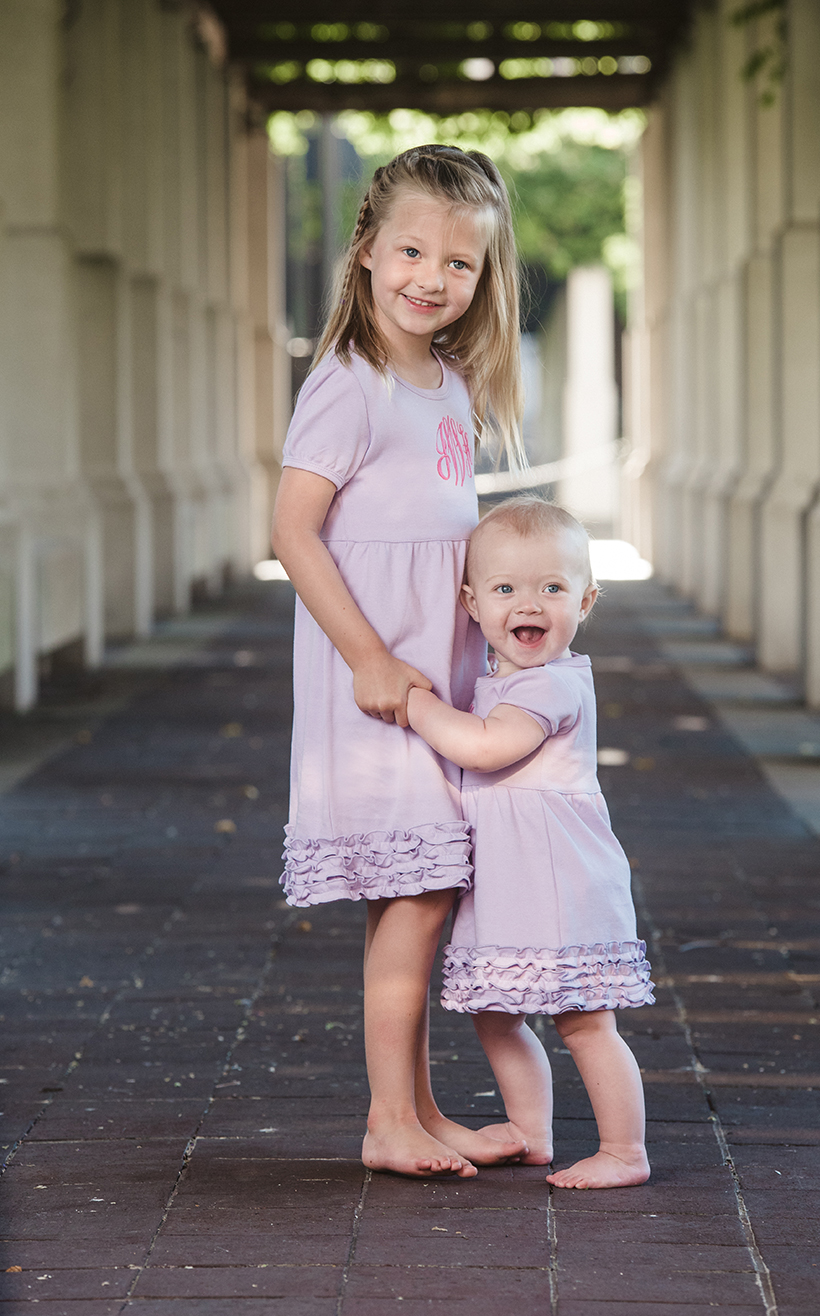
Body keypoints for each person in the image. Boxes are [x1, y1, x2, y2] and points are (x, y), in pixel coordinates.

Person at [271, 145, 528, 1178]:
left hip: (438, 681)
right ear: (367, 251)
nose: (433, 277)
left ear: (484, 276)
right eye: (413, 252)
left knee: (417, 895)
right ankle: (388, 1120)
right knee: (418, 897)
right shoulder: (350, 384)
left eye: (459, 263)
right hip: (376, 685)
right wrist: (371, 658)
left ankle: (418, 1107)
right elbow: (293, 531)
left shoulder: (448, 383)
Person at [407, 498, 655, 1189]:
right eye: (505, 588)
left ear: (586, 600)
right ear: (472, 604)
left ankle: (624, 1151)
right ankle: (529, 1128)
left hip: (560, 881)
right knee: (496, 1015)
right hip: (515, 883)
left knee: (584, 1023)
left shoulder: (551, 686)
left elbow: (487, 748)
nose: (529, 604)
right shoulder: (503, 681)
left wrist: (415, 703)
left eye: (552, 587)